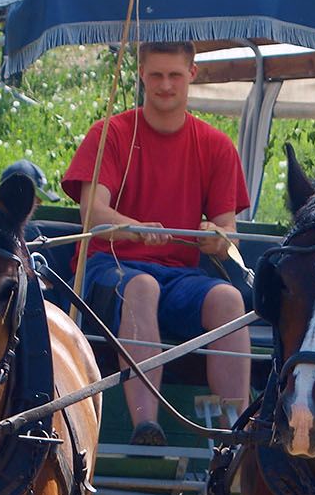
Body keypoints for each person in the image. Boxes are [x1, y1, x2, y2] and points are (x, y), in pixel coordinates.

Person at [62, 42, 252, 446]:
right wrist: (134, 228)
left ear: (192, 75)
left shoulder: (216, 146)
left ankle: (235, 430)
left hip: (179, 277)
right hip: (107, 270)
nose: (165, 85)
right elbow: (92, 215)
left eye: (175, 76)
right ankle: (145, 424)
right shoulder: (110, 134)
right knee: (141, 288)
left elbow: (227, 232)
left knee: (229, 301)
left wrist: (215, 241)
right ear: (141, 76)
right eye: (156, 76)